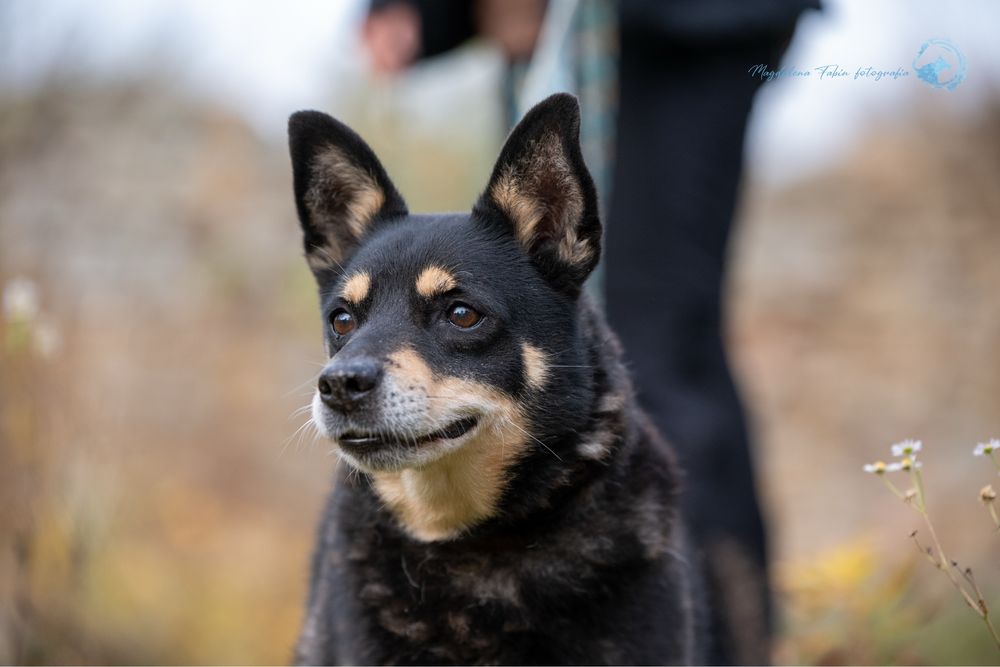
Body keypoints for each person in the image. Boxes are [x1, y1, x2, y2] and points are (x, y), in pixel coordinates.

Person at [360, 1, 817, 662]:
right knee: (593, 330)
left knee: (655, 352)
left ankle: (718, 644)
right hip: (563, 24)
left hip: (684, 27)